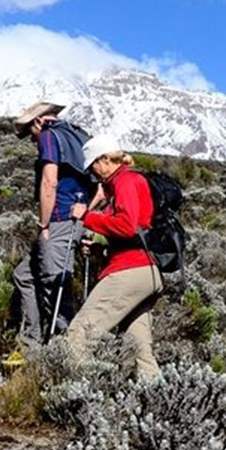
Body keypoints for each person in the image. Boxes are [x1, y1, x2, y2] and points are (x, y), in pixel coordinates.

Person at [66, 135, 162, 377]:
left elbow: (127, 225)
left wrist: (86, 216)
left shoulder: (125, 181)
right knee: (139, 351)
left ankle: (74, 395)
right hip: (145, 272)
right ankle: (157, 399)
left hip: (128, 270)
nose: (93, 174)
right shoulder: (126, 182)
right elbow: (134, 229)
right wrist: (98, 243)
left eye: (93, 167)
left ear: (106, 160)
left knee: (80, 333)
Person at [10, 101, 94, 346]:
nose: (31, 140)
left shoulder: (49, 135)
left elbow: (50, 182)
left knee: (55, 282)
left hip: (58, 219)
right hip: (75, 218)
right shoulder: (78, 135)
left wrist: (44, 224)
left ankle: (62, 346)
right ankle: (30, 340)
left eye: (29, 132)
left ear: (38, 121)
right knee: (24, 274)